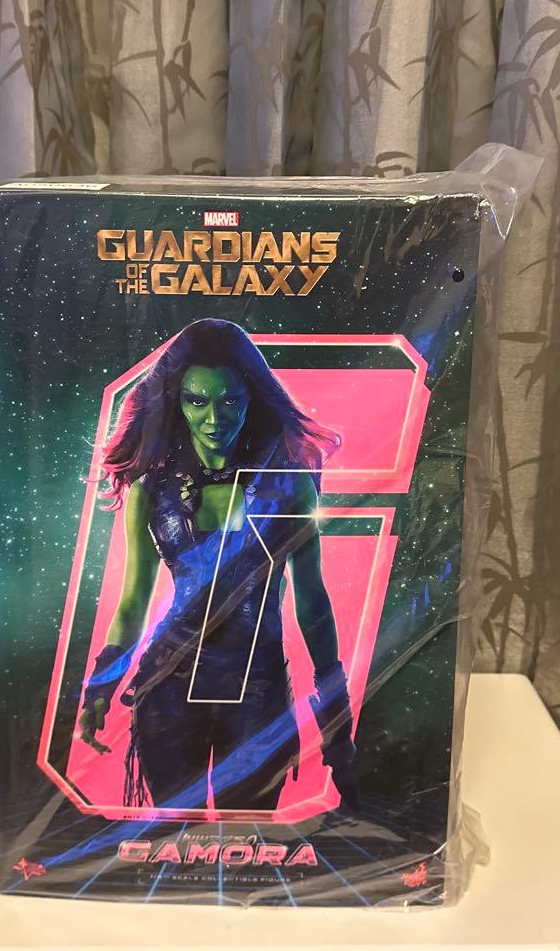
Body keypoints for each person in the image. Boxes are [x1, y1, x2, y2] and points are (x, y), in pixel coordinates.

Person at [78, 318, 358, 813]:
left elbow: (312, 599)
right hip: (169, 686)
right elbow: (134, 600)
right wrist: (103, 679)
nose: (213, 418)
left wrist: (334, 705)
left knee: (249, 834)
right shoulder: (151, 490)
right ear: (178, 403)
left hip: (258, 688)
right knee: (173, 838)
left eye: (229, 400)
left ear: (251, 399)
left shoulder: (289, 484)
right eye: (197, 401)